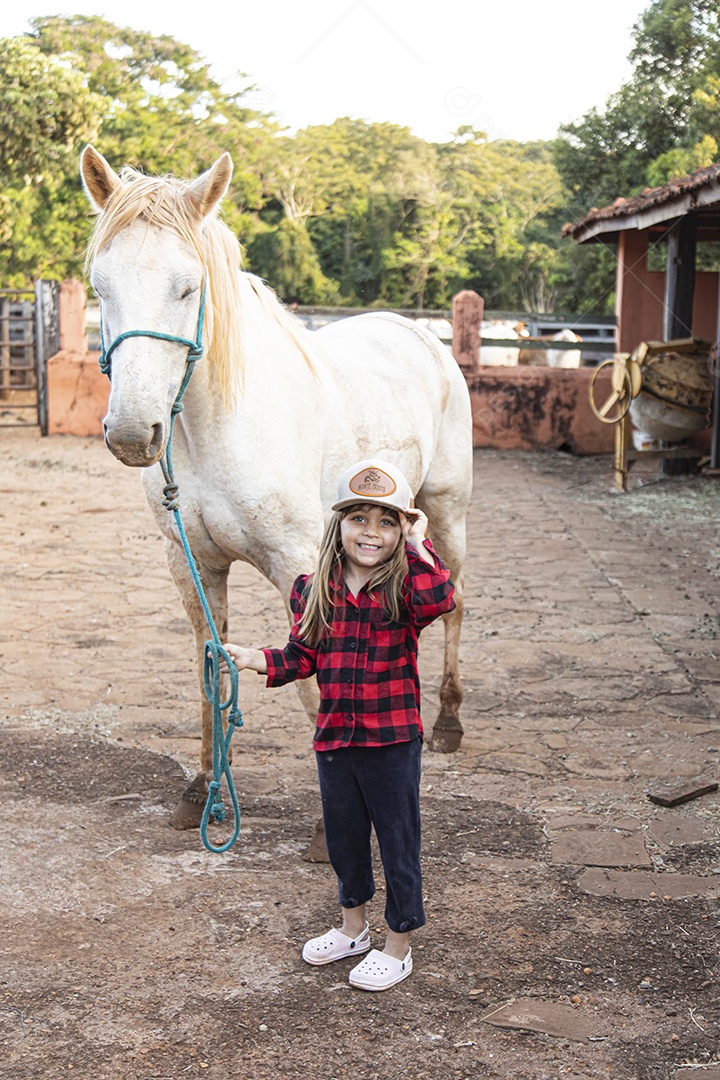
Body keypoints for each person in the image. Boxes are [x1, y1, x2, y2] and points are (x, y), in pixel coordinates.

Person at [222, 459, 456, 991]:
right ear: (338, 525)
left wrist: (420, 543)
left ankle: (399, 944)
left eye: (388, 522)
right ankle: (354, 929)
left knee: (398, 840)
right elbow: (302, 655)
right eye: (359, 519)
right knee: (345, 838)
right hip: (335, 737)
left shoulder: (406, 587)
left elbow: (442, 598)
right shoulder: (312, 590)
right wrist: (255, 659)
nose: (371, 533)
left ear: (402, 530)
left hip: (391, 740)